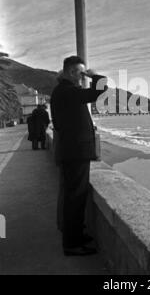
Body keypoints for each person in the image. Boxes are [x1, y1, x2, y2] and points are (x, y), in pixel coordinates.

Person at [50, 56, 108, 256]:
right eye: (77, 72)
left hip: (72, 150)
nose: (79, 76)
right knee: (74, 197)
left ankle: (75, 235)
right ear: (67, 72)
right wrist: (94, 76)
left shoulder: (63, 91)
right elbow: (98, 91)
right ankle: (72, 244)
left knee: (75, 195)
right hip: (75, 152)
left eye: (81, 72)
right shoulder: (68, 91)